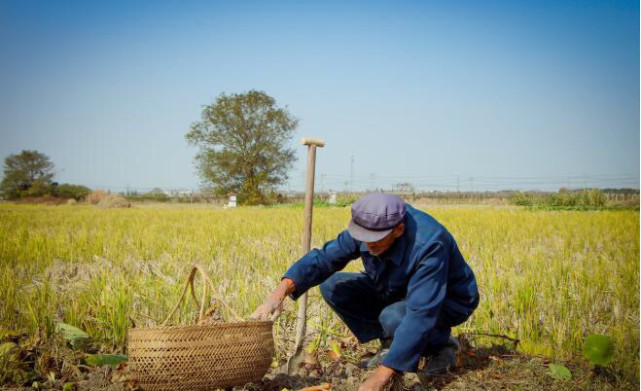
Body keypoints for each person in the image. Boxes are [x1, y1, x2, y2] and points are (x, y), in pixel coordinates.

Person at [251, 193, 480, 391]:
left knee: (395, 317)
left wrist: (379, 378)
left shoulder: (429, 243)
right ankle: (392, 345)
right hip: (394, 287)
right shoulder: (366, 226)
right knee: (334, 286)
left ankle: (442, 345)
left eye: (376, 240)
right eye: (364, 239)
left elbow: (422, 313)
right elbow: (323, 259)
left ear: (398, 229)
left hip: (446, 300)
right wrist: (277, 295)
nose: (368, 244)